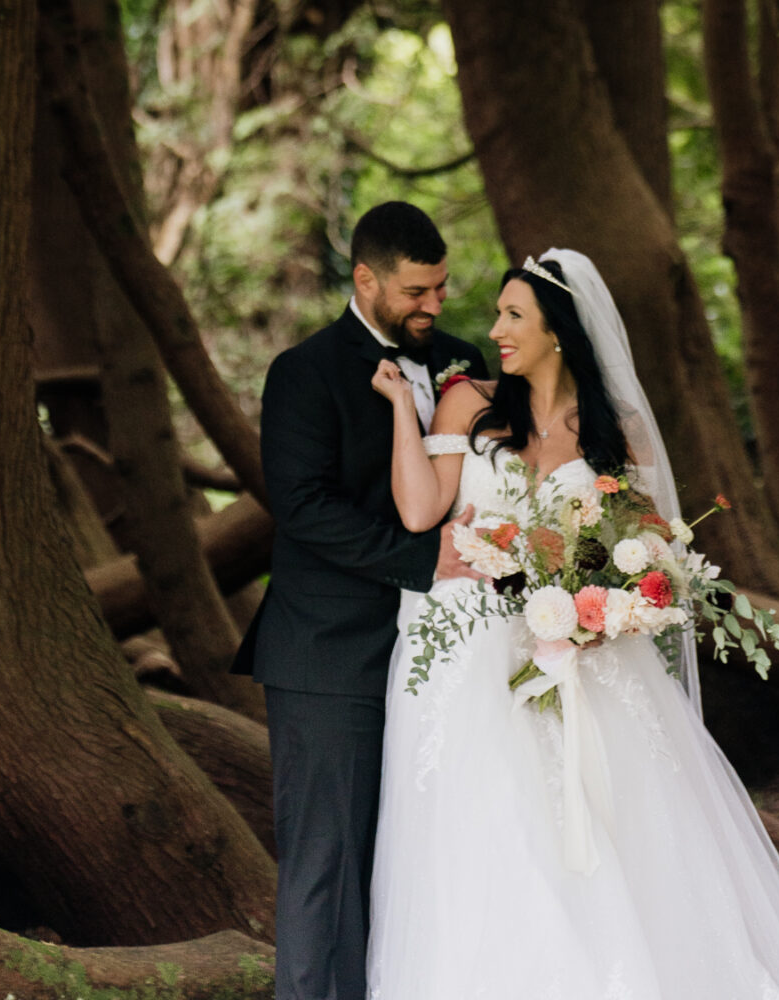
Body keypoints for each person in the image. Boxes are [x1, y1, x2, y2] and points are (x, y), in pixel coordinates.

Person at [365, 248, 779, 1000]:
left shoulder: (614, 430)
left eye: (514, 316)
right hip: (469, 647)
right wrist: (402, 413)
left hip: (581, 650)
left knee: (615, 824)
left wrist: (598, 607)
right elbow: (417, 512)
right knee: (484, 816)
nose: (495, 330)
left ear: (560, 332)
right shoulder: (467, 403)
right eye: (499, 314)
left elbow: (647, 554)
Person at [234, 202, 488, 1000]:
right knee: (328, 863)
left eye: (441, 288)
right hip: (329, 654)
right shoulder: (302, 372)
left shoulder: (465, 363)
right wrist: (425, 559)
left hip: (450, 655)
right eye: (416, 291)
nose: (434, 306)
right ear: (366, 279)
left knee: (428, 859)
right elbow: (304, 509)